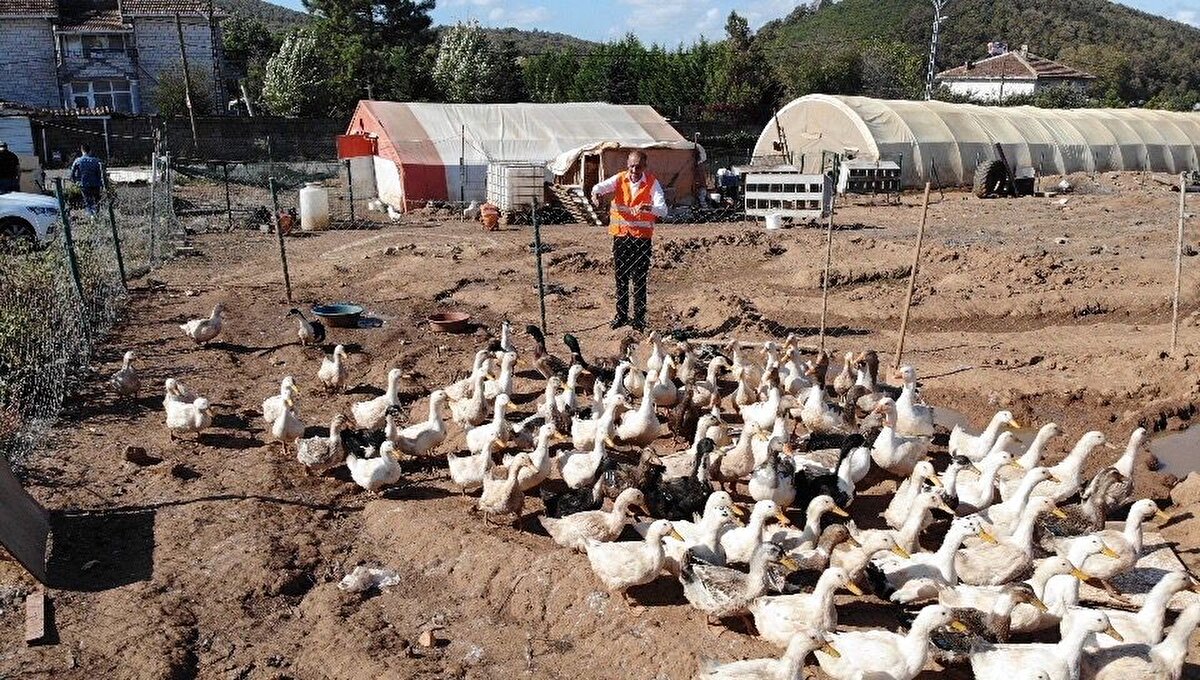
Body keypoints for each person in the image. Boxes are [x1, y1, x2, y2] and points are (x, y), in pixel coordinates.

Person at [590, 150, 667, 332]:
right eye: (631, 166)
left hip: (641, 239)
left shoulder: (652, 183)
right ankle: (621, 315)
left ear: (644, 167)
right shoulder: (619, 179)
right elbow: (599, 187)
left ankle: (639, 319)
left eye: (638, 166)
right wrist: (596, 194)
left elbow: (663, 210)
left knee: (640, 280)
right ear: (627, 164)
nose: (634, 170)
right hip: (622, 237)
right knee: (621, 278)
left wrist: (650, 207)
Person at [70, 144, 104, 215]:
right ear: (90, 151)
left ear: (82, 150)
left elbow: (72, 173)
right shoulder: (97, 161)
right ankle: (97, 215)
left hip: (84, 184)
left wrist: (75, 182)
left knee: (87, 201)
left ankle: (90, 216)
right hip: (96, 184)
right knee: (97, 201)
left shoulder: (78, 161)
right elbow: (101, 174)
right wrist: (101, 183)